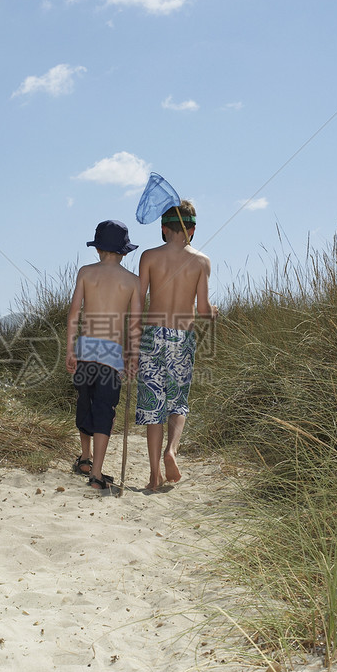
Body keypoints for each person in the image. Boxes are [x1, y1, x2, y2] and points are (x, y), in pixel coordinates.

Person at [135, 199, 217, 491]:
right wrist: (213, 311)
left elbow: (138, 301)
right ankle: (172, 450)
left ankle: (154, 475)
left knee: (152, 405)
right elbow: (204, 309)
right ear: (192, 230)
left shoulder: (149, 257)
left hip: (152, 334)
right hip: (182, 336)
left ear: (163, 228)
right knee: (177, 402)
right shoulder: (201, 261)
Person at [65, 220, 141, 491]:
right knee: (104, 410)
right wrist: (133, 357)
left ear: (98, 249)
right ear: (123, 252)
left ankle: (85, 458)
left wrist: (69, 349)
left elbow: (74, 314)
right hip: (112, 352)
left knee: (84, 403)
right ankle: (95, 472)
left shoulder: (86, 273)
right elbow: (134, 324)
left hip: (85, 347)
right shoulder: (133, 281)